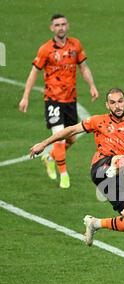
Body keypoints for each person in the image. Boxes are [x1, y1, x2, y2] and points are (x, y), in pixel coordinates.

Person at [29, 88, 124, 237]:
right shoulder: (98, 121)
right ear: (107, 105)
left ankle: (95, 223)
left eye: (120, 101)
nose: (117, 106)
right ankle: (113, 167)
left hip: (118, 177)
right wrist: (44, 144)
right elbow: (70, 130)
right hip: (100, 168)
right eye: (112, 102)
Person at [20, 14, 99, 188]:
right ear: (52, 28)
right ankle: (64, 175)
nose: (61, 27)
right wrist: (25, 96)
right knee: (60, 139)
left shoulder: (75, 45)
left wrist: (92, 86)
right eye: (57, 25)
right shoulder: (45, 49)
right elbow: (34, 72)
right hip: (53, 100)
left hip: (70, 100)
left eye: (63, 24)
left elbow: (83, 67)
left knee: (70, 139)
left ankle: (49, 157)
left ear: (67, 26)